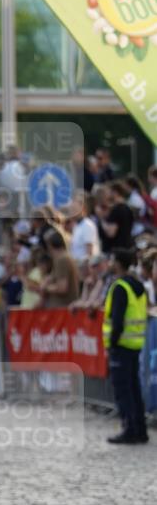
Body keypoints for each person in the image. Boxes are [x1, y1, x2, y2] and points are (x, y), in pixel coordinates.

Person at [103, 248, 148, 444]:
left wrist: (111, 344)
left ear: (119, 263)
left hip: (121, 345)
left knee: (123, 390)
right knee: (134, 388)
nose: (110, 263)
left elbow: (117, 320)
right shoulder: (138, 286)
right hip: (135, 343)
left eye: (112, 260)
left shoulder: (120, 287)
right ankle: (140, 429)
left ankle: (129, 429)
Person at [41, 230, 80, 308]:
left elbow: (62, 288)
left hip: (62, 309)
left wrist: (46, 288)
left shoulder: (62, 260)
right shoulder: (61, 259)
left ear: (50, 245)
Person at [99, 182, 135, 254]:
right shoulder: (128, 208)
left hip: (116, 252)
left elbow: (111, 233)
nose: (107, 195)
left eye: (109, 192)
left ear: (115, 193)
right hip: (126, 248)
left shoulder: (117, 210)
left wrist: (102, 220)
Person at [70, 194, 101, 263]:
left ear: (83, 208)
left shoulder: (88, 225)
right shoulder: (76, 226)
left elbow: (90, 253)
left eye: (75, 209)